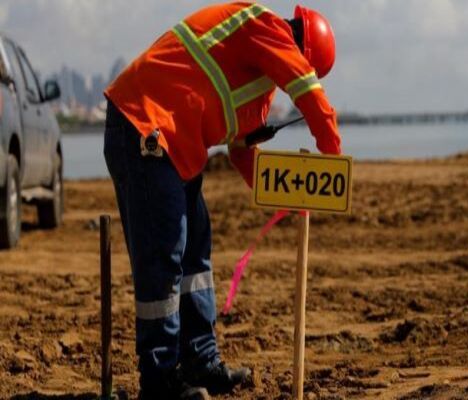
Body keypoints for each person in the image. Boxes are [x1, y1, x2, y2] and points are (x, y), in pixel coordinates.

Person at [103, 2, 342, 399]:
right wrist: (333, 162)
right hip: (144, 126)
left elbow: (241, 152)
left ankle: (200, 360)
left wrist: (286, 196)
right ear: (298, 44)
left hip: (175, 146)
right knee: (163, 259)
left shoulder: (257, 87)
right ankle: (159, 380)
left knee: (196, 251)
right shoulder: (261, 24)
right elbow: (306, 89)